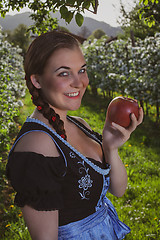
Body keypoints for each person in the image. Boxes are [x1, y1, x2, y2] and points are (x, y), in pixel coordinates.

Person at [6, 30, 143, 240]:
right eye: (63, 73)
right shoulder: (38, 145)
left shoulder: (79, 124)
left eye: (82, 70)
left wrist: (110, 147)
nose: (79, 82)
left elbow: (118, 190)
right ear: (37, 81)